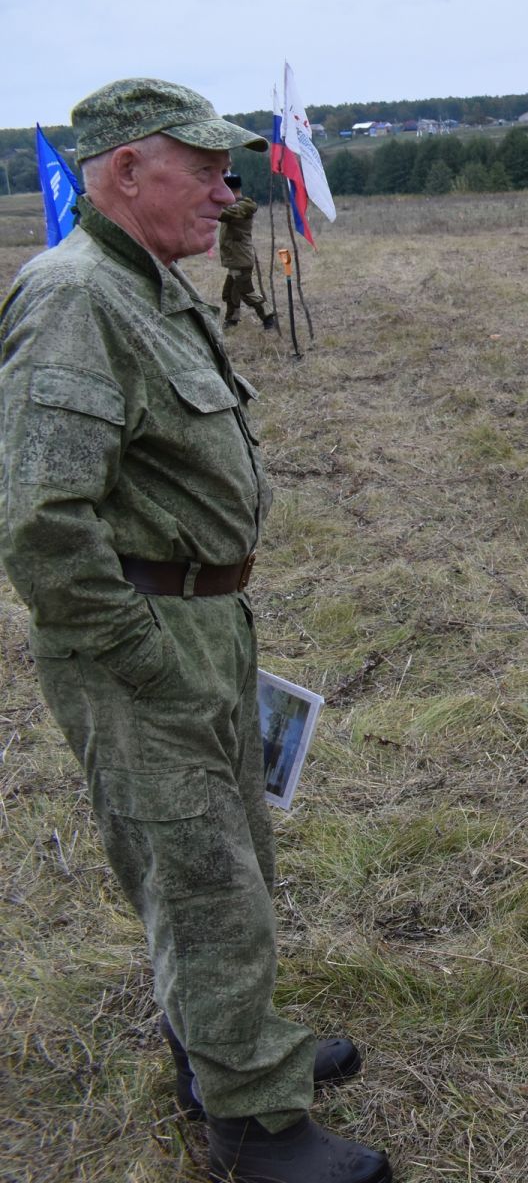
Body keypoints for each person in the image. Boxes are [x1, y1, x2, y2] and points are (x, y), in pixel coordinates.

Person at [0, 79, 389, 1183]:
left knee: (226, 854)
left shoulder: (143, 286)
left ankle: (227, 1047)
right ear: (127, 170)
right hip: (146, 631)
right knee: (202, 870)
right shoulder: (76, 295)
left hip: (199, 615)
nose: (229, 193)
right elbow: (40, 520)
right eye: (207, 170)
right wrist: (144, 656)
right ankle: (254, 1123)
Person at [217, 177, 277, 330]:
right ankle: (232, 320)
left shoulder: (243, 206)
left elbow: (223, 214)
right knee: (230, 293)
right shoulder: (234, 206)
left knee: (247, 293)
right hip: (234, 258)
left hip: (240, 258)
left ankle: (268, 317)